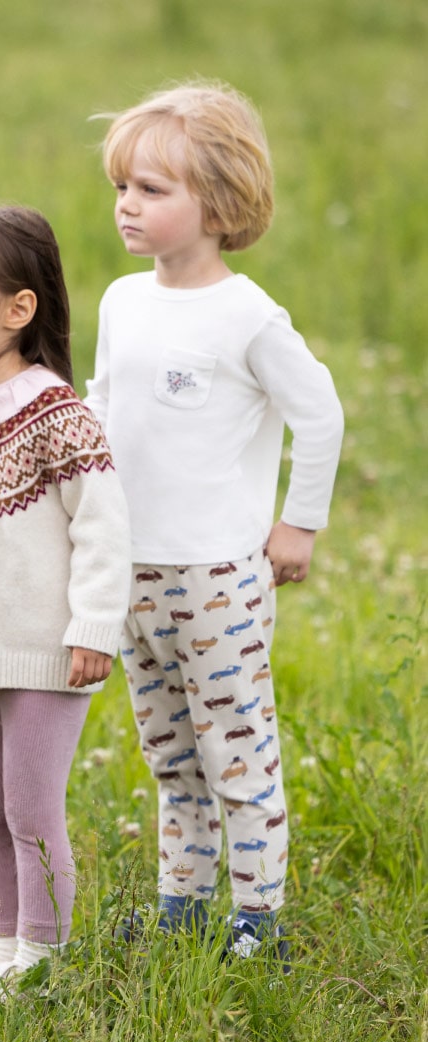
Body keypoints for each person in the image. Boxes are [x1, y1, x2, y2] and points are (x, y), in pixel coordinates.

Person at [85, 82, 344, 963]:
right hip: (134, 574)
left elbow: (322, 413)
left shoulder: (247, 316)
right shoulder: (122, 300)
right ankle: (182, 902)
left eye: (152, 191)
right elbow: (104, 404)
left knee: (238, 754)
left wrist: (297, 523)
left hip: (218, 582)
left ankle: (257, 915)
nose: (127, 205)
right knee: (170, 756)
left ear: (220, 204)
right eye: (123, 186)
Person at [0, 206, 132, 991]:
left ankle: (41, 955)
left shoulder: (57, 415)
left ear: (16, 310)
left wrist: (95, 628)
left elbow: (104, 530)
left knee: (30, 812)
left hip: (43, 651)